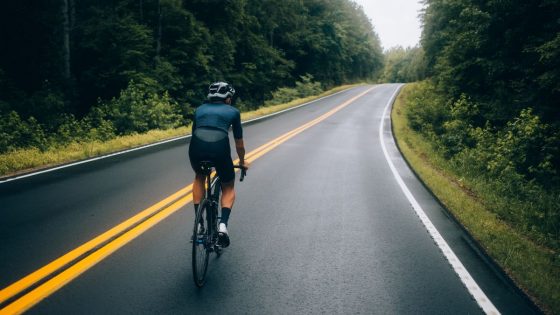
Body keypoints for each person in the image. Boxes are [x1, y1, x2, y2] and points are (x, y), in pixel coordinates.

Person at [188, 82, 248, 247]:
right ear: (228, 99)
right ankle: (222, 227)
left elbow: (194, 133)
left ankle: (199, 223)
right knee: (228, 186)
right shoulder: (233, 112)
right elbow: (239, 144)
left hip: (196, 147)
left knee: (199, 177)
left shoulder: (199, 110)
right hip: (220, 149)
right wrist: (242, 162)